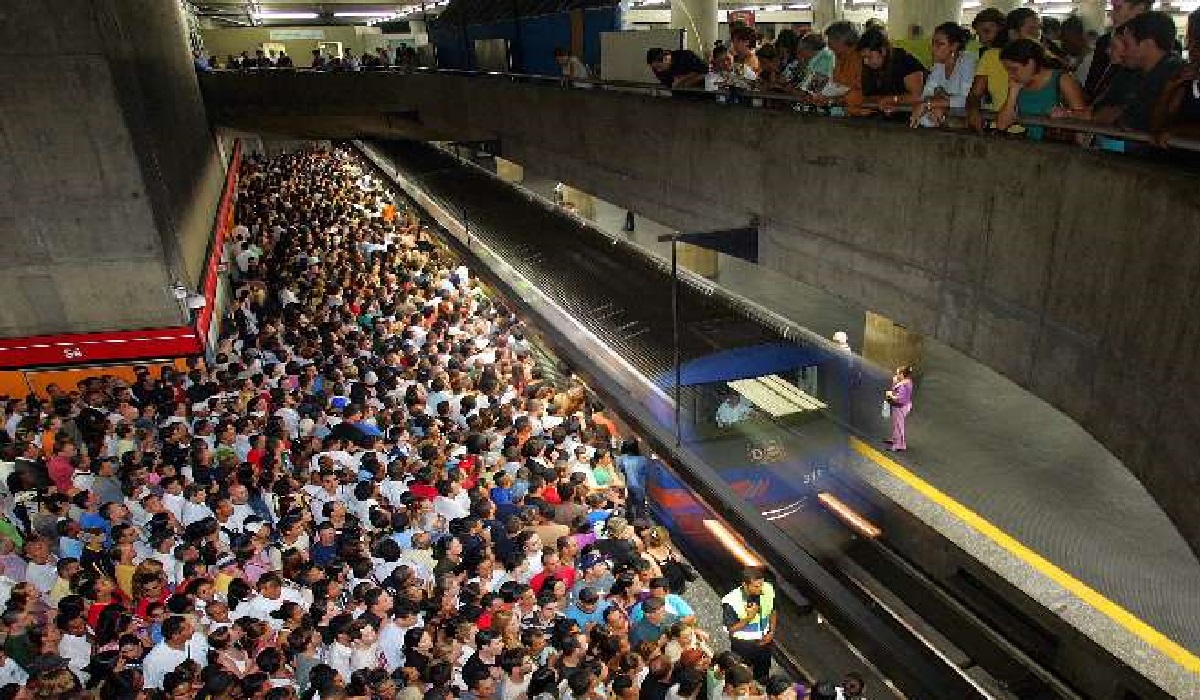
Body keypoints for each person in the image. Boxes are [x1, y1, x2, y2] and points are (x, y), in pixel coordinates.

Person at [995, 39, 1088, 140]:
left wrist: (1068, 113)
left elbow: (1084, 118)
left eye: (1013, 69)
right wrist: (1013, 92)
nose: (1010, 74)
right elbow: (1002, 125)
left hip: (1060, 149)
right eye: (1007, 70)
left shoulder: (1062, 80)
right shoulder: (1019, 83)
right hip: (1032, 147)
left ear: (1031, 63)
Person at [1117, 11, 1185, 132]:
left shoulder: (1174, 76)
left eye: (1127, 45)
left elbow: (1134, 122)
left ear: (1148, 45)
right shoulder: (1143, 73)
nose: (1122, 53)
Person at [1085, 0, 1155, 99]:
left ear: (1140, 9)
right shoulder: (1104, 41)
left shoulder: (1159, 46)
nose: (1112, 15)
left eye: (1118, 8)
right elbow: (1091, 85)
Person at [913, 22, 976, 128]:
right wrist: (938, 99)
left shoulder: (967, 62)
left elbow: (966, 100)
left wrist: (931, 103)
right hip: (942, 117)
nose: (933, 48)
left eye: (940, 44)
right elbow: (926, 94)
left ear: (954, 46)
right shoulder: (939, 65)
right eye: (933, 43)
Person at [721, 567, 776, 681]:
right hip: (743, 646)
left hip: (764, 641)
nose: (760, 588)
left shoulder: (768, 589)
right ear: (745, 585)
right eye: (756, 586)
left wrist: (771, 632)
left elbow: (773, 610)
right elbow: (730, 629)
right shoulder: (731, 601)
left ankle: (762, 681)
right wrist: (749, 618)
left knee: (763, 671)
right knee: (742, 674)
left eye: (761, 584)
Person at [857, 28, 927, 116]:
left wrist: (894, 100)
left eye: (869, 57)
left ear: (883, 51)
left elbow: (918, 97)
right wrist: (881, 101)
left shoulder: (905, 62)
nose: (865, 62)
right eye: (863, 58)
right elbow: (868, 96)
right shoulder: (869, 67)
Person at [884, 366, 914, 452]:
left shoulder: (903, 385)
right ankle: (894, 439)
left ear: (902, 374)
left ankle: (900, 445)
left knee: (899, 426)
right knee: (895, 424)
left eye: (898, 373)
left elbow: (900, 398)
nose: (896, 375)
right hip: (901, 406)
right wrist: (895, 383)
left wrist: (890, 395)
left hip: (900, 407)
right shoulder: (906, 381)